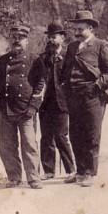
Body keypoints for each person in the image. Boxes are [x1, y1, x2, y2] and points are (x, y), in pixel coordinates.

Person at [60, 11, 108, 187]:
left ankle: (90, 173)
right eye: (75, 28)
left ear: (90, 27)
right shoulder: (71, 47)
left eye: (80, 28)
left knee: (91, 134)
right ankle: (80, 172)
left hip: (93, 97)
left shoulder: (101, 45)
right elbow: (66, 71)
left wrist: (95, 87)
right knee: (75, 134)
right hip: (74, 97)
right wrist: (65, 87)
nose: (76, 31)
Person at [0, 25, 45, 189]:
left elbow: (41, 84)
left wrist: (33, 107)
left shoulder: (34, 59)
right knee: (6, 146)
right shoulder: (2, 61)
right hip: (6, 109)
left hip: (26, 110)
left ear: (27, 41)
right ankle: (14, 177)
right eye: (13, 37)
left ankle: (33, 178)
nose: (16, 41)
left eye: (20, 38)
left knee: (29, 144)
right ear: (9, 40)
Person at [37, 21, 76, 182]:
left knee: (61, 135)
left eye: (54, 37)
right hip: (45, 104)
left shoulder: (69, 57)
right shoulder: (42, 58)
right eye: (49, 37)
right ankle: (49, 171)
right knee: (46, 137)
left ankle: (71, 169)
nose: (51, 40)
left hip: (63, 103)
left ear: (62, 38)